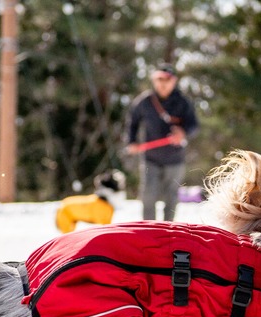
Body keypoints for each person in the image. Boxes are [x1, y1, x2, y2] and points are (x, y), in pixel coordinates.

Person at [126, 63, 198, 222]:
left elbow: (194, 125)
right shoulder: (145, 101)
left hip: (175, 159)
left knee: (171, 198)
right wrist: (131, 141)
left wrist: (183, 132)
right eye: (159, 79)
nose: (163, 83)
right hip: (150, 158)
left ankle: (168, 231)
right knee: (148, 197)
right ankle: (148, 231)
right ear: (154, 80)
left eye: (167, 79)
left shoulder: (183, 102)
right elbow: (132, 121)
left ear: (174, 81)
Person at [54, 171, 125, 233]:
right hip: (65, 214)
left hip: (65, 209)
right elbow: (106, 230)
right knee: (68, 240)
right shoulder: (105, 208)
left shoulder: (104, 205)